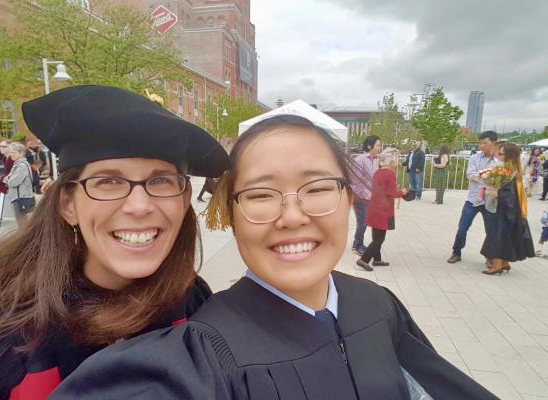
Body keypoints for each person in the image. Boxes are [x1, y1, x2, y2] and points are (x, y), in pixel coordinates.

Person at [52, 115, 499, 400]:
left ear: (349, 199)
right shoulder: (200, 355)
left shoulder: (379, 308)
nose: (292, 216)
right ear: (231, 214)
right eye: (261, 195)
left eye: (319, 188)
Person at [0, 85, 229, 399]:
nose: (139, 205)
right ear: (68, 204)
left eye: (160, 180)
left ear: (184, 197)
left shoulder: (191, 300)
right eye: (108, 181)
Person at [481, 143, 535, 275]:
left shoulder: (509, 172)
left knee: (499, 235)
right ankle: (504, 263)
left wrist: (496, 193)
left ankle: (497, 264)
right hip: (510, 210)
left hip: (507, 211)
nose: (497, 155)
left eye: (500, 153)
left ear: (509, 156)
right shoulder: (510, 170)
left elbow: (509, 194)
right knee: (506, 235)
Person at [447, 131, 498, 264]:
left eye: (485, 143)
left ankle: (489, 256)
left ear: (493, 143)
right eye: (480, 143)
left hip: (490, 200)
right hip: (473, 199)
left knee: (491, 231)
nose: (482, 146)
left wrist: (482, 176)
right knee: (462, 228)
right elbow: (471, 174)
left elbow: (499, 179)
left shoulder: (499, 160)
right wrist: (486, 177)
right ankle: (456, 252)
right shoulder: (475, 158)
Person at [356, 147, 407, 271]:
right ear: (391, 161)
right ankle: (364, 259)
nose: (397, 162)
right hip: (383, 210)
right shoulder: (390, 174)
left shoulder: (378, 172)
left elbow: (383, 190)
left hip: (374, 208)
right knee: (379, 239)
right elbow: (391, 193)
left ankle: (377, 259)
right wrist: (402, 191)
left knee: (376, 235)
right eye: (396, 160)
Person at [349, 135, 380, 256]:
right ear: (369, 146)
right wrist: (367, 195)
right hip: (360, 197)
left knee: (366, 221)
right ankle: (357, 245)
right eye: (377, 145)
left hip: (371, 196)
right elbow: (355, 182)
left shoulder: (375, 160)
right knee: (362, 221)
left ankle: (358, 243)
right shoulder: (360, 160)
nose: (379, 148)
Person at [4, 143, 37, 225]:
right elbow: (8, 178)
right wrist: (8, 179)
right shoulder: (17, 164)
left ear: (21, 153)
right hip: (19, 197)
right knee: (22, 223)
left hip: (22, 198)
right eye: (10, 152)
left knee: (23, 225)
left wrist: (7, 180)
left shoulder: (22, 166)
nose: (11, 154)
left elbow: (12, 182)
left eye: (13, 152)